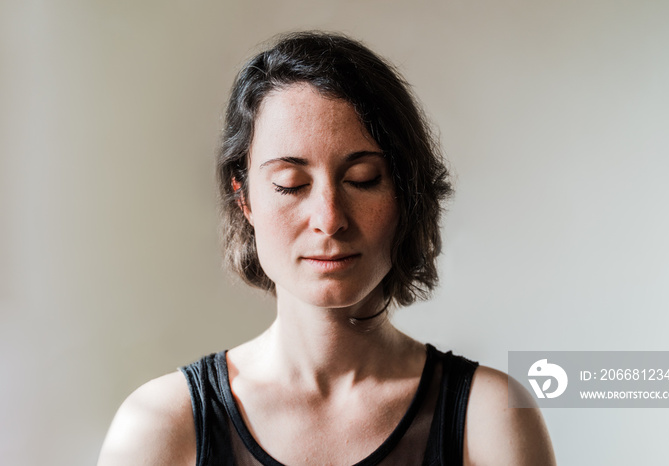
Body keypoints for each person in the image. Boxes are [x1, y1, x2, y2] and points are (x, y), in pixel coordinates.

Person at [97, 32, 556, 465]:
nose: (329, 218)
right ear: (245, 199)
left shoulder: (490, 418)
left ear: (407, 195)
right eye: (290, 184)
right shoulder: (161, 427)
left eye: (363, 180)